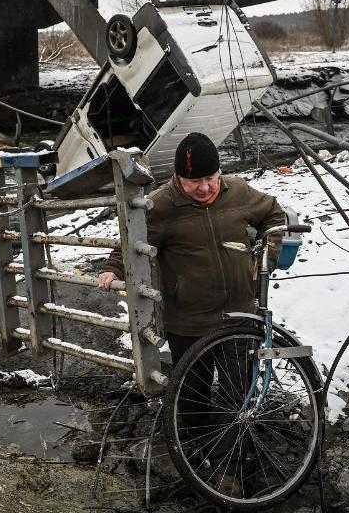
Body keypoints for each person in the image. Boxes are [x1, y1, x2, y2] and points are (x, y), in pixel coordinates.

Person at [97, 132, 285, 491]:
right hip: (188, 321)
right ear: (178, 179)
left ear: (219, 172)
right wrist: (113, 269)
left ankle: (226, 472)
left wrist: (267, 257)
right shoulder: (160, 206)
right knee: (192, 391)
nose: (203, 187)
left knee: (235, 392)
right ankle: (193, 454)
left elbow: (274, 215)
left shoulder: (239, 191)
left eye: (209, 178)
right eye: (193, 181)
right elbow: (131, 243)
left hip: (238, 318)